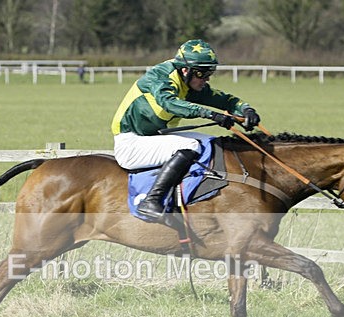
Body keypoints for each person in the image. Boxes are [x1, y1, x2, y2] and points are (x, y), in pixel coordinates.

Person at [111, 39, 260, 221]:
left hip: (154, 137)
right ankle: (151, 201)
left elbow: (223, 100)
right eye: (203, 73)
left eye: (210, 73)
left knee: (210, 143)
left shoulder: (188, 82)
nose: (207, 79)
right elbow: (169, 103)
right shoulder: (160, 77)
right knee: (190, 146)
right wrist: (210, 114)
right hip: (131, 142)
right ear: (185, 70)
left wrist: (246, 110)